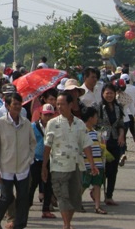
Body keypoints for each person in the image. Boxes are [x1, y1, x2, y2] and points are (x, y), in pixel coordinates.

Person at [42, 92, 98, 229]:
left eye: (62, 104)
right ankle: (66, 225)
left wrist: (92, 164)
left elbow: (86, 144)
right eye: (58, 104)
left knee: (74, 198)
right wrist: (44, 166)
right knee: (62, 197)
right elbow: (47, 146)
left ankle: (68, 222)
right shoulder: (52, 123)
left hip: (76, 165)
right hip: (58, 166)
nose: (59, 107)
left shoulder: (80, 124)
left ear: (71, 105)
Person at [0, 92, 36, 229]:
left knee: (23, 198)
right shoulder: (0, 123)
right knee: (6, 197)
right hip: (5, 168)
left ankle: (19, 225)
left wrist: (29, 159)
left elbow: (32, 143)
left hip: (23, 167)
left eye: (19, 104)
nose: (17, 107)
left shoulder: (26, 123)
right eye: (14, 104)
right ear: (7, 105)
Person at [97, 82, 126, 206]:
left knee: (113, 169)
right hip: (102, 141)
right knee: (102, 169)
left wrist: (121, 135)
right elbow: (94, 123)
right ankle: (97, 193)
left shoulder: (118, 107)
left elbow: (120, 124)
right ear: (103, 94)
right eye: (107, 93)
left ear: (115, 94)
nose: (109, 95)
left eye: (111, 93)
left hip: (115, 140)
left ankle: (109, 196)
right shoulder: (98, 107)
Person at [27, 103, 56, 219]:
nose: (48, 117)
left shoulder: (54, 127)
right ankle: (26, 207)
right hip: (35, 159)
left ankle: (46, 209)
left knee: (48, 185)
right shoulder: (33, 126)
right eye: (46, 115)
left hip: (49, 158)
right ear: (41, 115)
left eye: (50, 115)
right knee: (32, 185)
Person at [80, 106, 107, 214]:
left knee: (97, 184)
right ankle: (77, 201)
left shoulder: (95, 132)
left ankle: (97, 206)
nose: (97, 119)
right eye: (96, 117)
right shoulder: (82, 131)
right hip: (87, 163)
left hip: (98, 162)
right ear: (90, 118)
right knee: (84, 183)